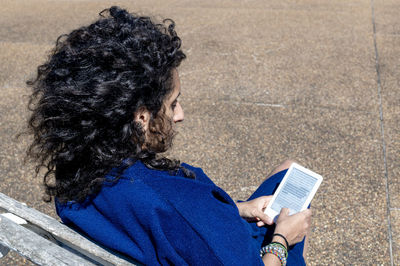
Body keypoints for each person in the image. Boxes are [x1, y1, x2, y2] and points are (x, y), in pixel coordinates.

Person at [26, 6, 312, 266]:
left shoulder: (78, 172)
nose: (180, 115)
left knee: (288, 171)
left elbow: (166, 225)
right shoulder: (177, 203)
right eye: (173, 103)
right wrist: (283, 240)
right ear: (141, 117)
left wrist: (237, 209)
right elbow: (188, 223)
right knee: (295, 192)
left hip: (188, 239)